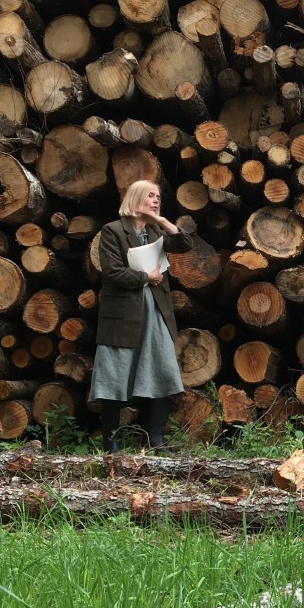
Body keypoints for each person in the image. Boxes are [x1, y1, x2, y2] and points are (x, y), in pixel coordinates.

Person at [89, 180, 193, 452]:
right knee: (115, 375)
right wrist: (146, 277)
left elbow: (185, 243)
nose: (156, 200)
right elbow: (112, 272)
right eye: (151, 196)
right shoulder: (112, 230)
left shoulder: (155, 230)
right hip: (122, 314)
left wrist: (162, 221)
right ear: (136, 198)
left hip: (156, 311)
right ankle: (111, 444)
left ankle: (155, 441)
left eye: (158, 196)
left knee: (163, 370)